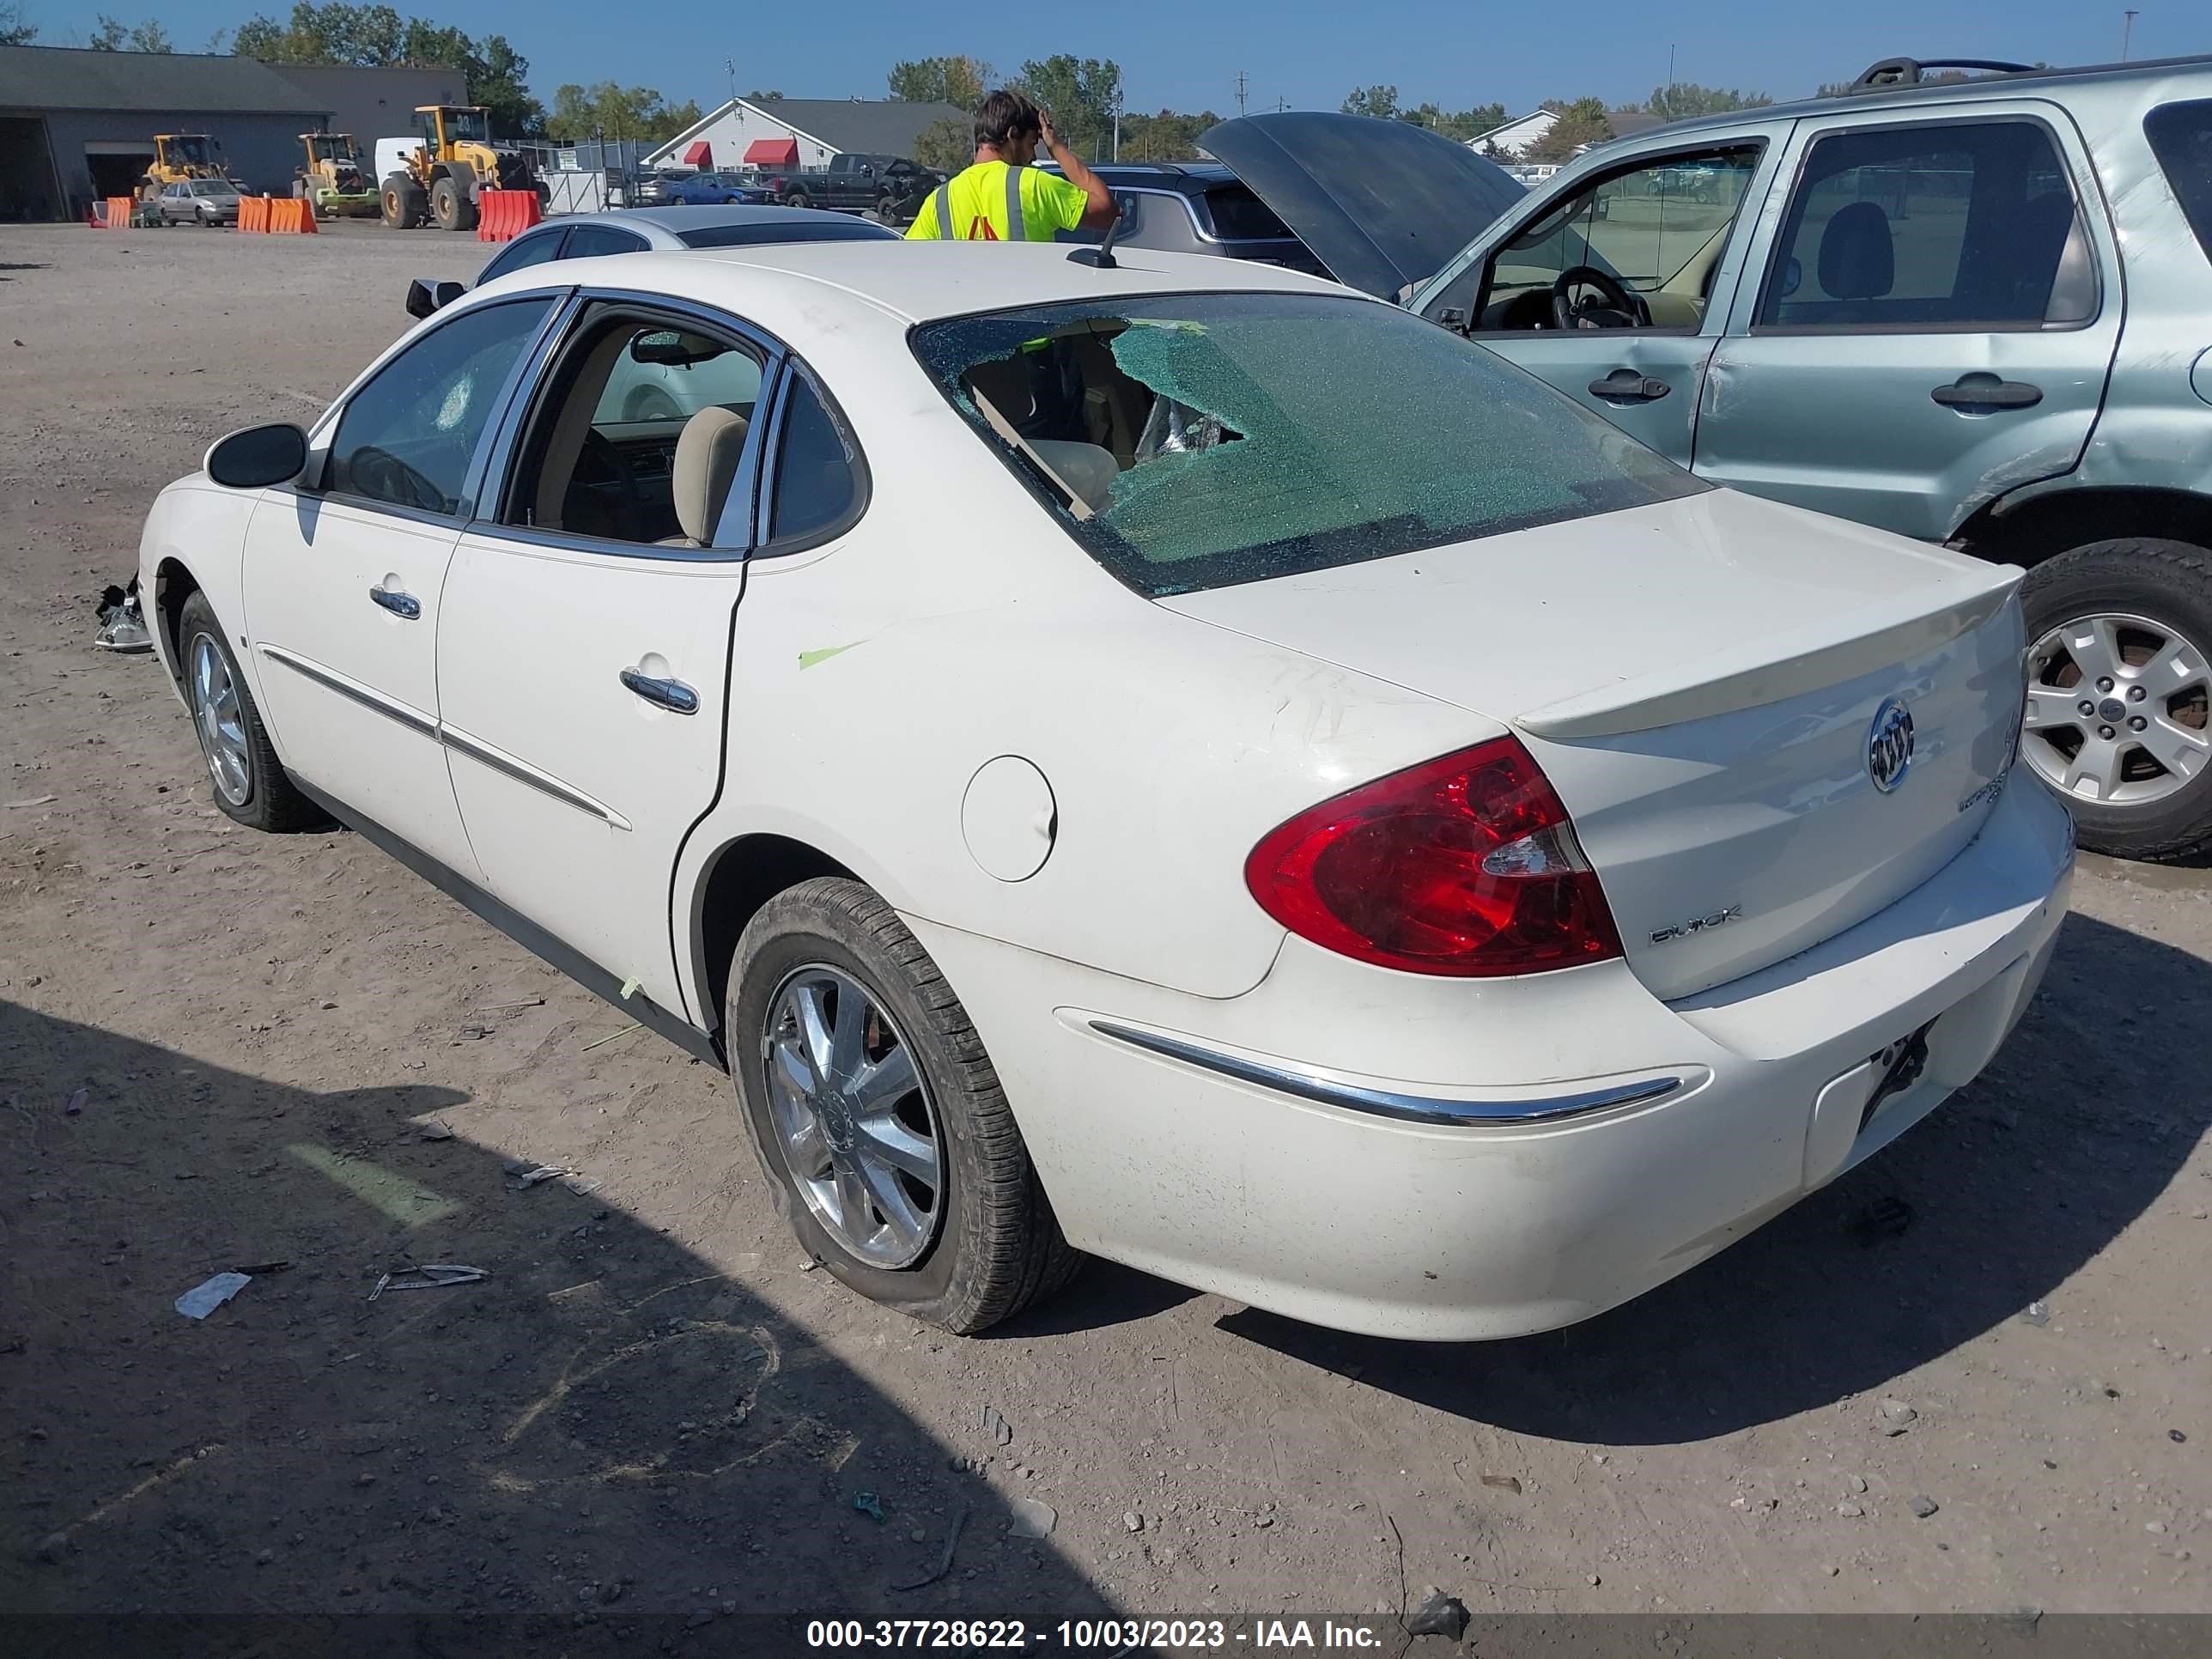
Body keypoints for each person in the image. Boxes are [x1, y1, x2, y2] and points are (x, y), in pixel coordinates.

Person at [906, 88, 1118, 243]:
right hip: (1030, 303)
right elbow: (1109, 212)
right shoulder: (1034, 185)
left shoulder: (939, 201)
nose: (1033, 156)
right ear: (1012, 134)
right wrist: (1057, 148)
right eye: (1032, 144)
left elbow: (906, 261)